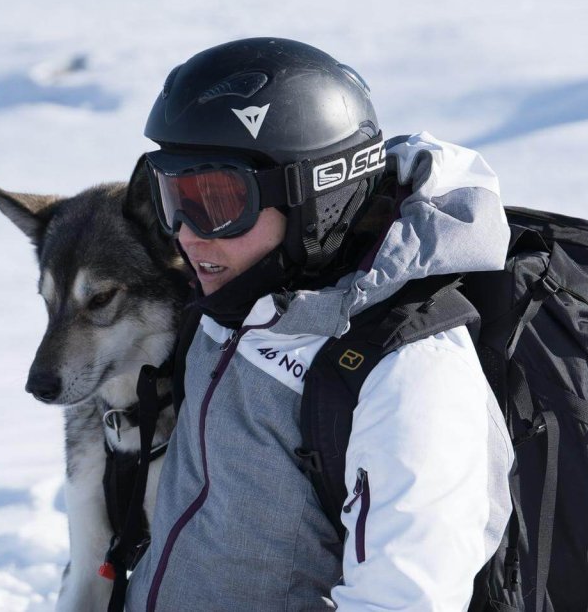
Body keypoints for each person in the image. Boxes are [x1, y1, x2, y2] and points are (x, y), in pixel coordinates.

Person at [124, 38, 514, 611]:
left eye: (215, 201)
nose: (185, 233)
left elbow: (404, 601)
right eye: (172, 197)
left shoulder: (409, 370)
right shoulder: (232, 307)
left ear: (316, 198)